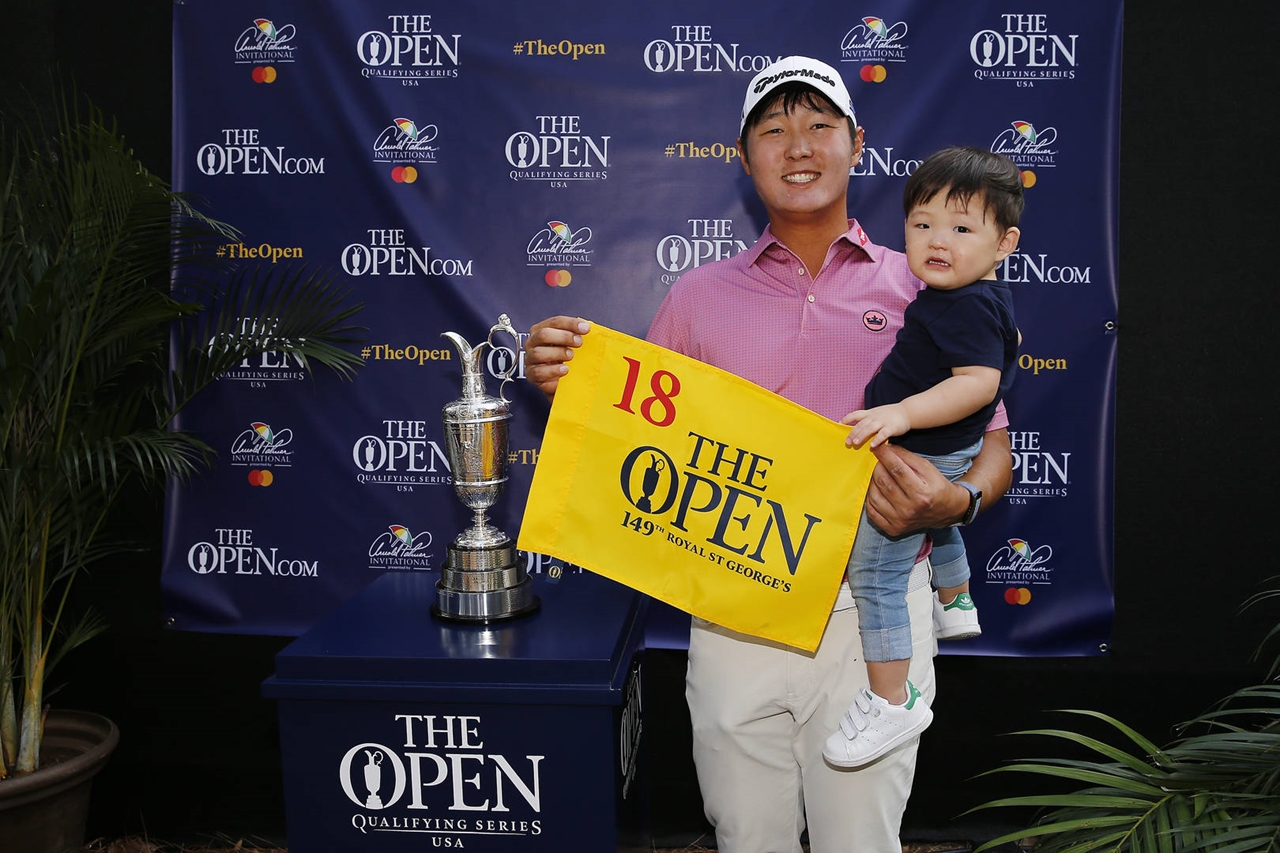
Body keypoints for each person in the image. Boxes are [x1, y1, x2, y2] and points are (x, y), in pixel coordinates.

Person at [525, 56, 1013, 853]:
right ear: (744, 156)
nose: (798, 146)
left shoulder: (927, 282)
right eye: (774, 129)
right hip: (732, 606)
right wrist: (566, 382)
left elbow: (993, 442)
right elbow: (640, 438)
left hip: (871, 612)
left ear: (858, 145)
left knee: (860, 841)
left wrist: (958, 502)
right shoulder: (697, 296)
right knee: (747, 835)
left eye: (819, 126)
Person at [822, 146, 1023, 770]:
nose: (939, 240)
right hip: (933, 450)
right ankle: (956, 599)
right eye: (923, 224)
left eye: (963, 228)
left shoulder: (967, 303)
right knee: (940, 507)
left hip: (921, 446)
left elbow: (978, 386)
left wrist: (901, 414)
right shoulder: (958, 296)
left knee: (877, 572)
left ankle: (893, 699)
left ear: (1004, 243)